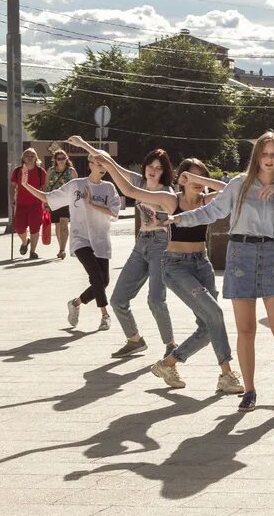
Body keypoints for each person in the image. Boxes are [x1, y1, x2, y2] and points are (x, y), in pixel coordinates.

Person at [168, 133, 274, 412]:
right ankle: (250, 390)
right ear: (257, 156)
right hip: (240, 254)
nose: (268, 159)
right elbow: (212, 212)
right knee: (246, 329)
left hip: (272, 254)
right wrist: (180, 218)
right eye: (264, 154)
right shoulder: (239, 184)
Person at [100, 156, 244, 395]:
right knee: (215, 313)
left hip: (203, 264)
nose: (197, 182)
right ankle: (227, 374)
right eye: (191, 176)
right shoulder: (170, 199)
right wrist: (107, 163)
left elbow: (233, 189)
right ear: (181, 179)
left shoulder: (208, 201)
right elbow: (128, 188)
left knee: (209, 326)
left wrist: (200, 179)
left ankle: (168, 364)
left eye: (201, 176)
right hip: (176, 267)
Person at [80, 143, 177, 360]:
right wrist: (83, 144)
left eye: (158, 167)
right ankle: (134, 340)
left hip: (160, 247)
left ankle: (171, 345)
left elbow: (179, 218)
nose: (153, 170)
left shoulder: (166, 193)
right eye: (150, 165)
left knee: (155, 299)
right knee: (117, 299)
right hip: (141, 244)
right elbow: (112, 164)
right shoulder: (140, 181)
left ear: (165, 171)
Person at [17, 152, 120, 332]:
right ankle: (105, 315)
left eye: (104, 164)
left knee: (103, 282)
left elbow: (114, 213)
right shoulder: (76, 186)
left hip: (101, 239)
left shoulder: (109, 188)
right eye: (98, 163)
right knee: (95, 275)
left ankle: (75, 303)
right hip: (81, 239)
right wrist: (25, 185)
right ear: (90, 165)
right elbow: (47, 197)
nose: (102, 167)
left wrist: (92, 204)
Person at [10, 148, 46, 259]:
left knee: (35, 228)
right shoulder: (17, 171)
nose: (30, 158)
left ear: (36, 158)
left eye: (32, 156)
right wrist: (12, 199)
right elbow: (12, 186)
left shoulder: (41, 172)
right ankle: (25, 242)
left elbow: (44, 188)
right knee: (19, 228)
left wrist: (46, 203)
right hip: (21, 204)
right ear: (23, 158)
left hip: (36, 205)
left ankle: (32, 252)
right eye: (27, 156)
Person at [45, 149, 77, 259]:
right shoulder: (50, 171)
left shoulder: (71, 171)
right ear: (55, 160)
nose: (61, 160)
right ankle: (61, 247)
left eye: (63, 158)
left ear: (66, 159)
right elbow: (46, 187)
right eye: (59, 159)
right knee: (57, 226)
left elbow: (76, 187)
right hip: (54, 200)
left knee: (64, 223)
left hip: (67, 201)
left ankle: (62, 249)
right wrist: (45, 202)